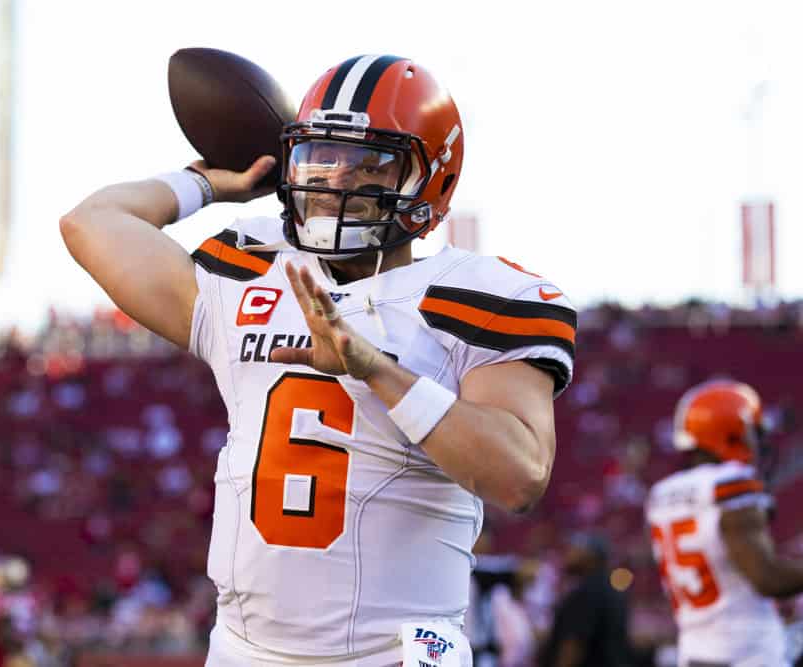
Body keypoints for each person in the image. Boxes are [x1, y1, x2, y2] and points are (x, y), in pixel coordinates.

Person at [61, 53, 576, 666]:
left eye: (364, 164)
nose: (334, 179)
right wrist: (204, 183)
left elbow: (519, 477)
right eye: (319, 157)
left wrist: (375, 368)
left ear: (429, 179)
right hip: (243, 651)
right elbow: (90, 222)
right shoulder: (250, 269)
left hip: (397, 655)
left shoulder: (482, 298)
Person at [645, 380, 803, 666]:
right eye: (752, 433)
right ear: (732, 433)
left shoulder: (661, 495)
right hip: (749, 653)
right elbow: (768, 578)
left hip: (695, 653)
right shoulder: (731, 484)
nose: (756, 443)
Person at [539, 533, 630, 667]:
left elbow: (574, 645)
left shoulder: (586, 593)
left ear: (590, 556)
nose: (567, 554)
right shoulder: (613, 589)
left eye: (574, 550)